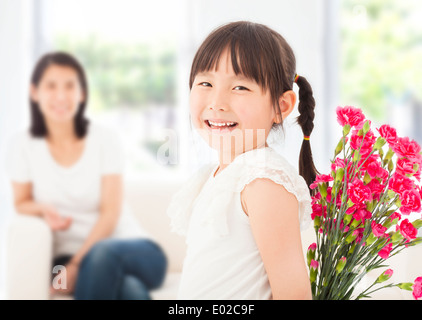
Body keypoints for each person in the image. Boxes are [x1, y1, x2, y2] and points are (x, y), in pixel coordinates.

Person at [167, 21, 316, 300]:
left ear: (280, 107)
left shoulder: (263, 181)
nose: (217, 102)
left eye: (240, 88)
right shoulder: (220, 175)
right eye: (206, 83)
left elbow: (293, 294)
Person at [6, 52, 167, 300]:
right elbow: (21, 202)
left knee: (102, 256)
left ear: (81, 93)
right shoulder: (22, 145)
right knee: (129, 290)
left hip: (134, 250)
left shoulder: (104, 138)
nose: (61, 96)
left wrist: (77, 265)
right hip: (63, 259)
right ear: (34, 92)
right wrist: (42, 208)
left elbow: (110, 213)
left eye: (70, 86)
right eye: (51, 86)